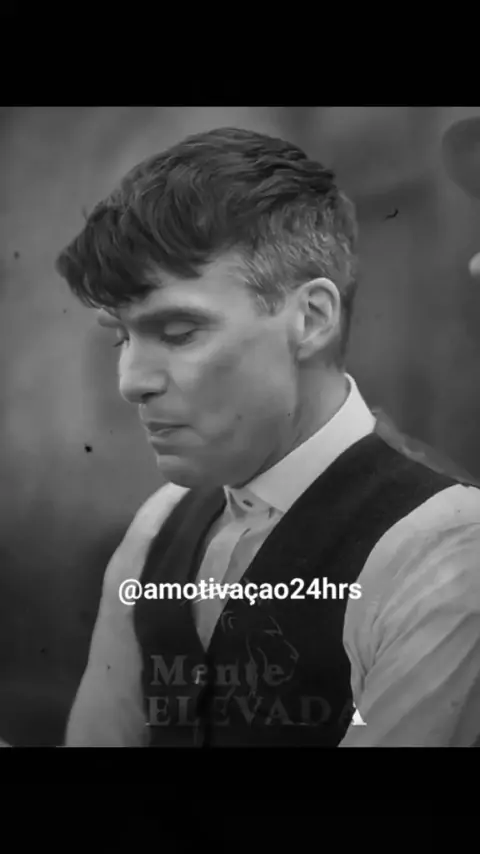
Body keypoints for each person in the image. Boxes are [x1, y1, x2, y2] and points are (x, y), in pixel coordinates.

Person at [54, 125, 480, 748]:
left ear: (311, 318)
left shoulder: (446, 543)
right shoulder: (159, 525)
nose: (131, 382)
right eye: (121, 336)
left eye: (178, 333)